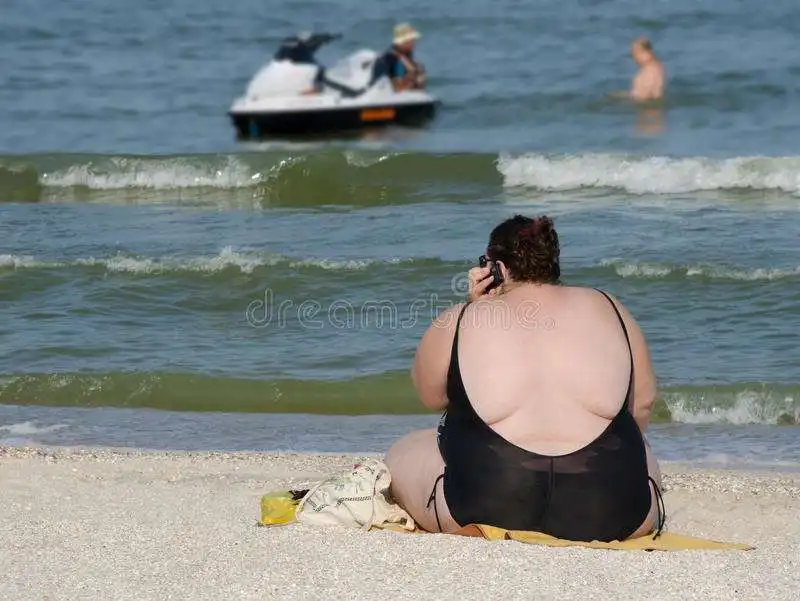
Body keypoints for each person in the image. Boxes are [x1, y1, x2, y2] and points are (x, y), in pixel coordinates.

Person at [385, 215, 666, 542]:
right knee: (640, 447)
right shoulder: (610, 306)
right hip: (609, 511)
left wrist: (472, 307)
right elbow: (642, 403)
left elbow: (429, 394)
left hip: (491, 505)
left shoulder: (462, 319)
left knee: (403, 451)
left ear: (498, 269)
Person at [375, 23, 427, 92]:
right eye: (410, 41)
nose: (413, 44)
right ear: (401, 42)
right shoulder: (393, 60)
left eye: (413, 41)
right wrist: (413, 76)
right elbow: (398, 88)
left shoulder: (405, 55)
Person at [627, 37, 666, 101]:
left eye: (636, 53)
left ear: (646, 53)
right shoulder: (655, 67)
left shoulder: (651, 70)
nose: (634, 57)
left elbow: (646, 96)